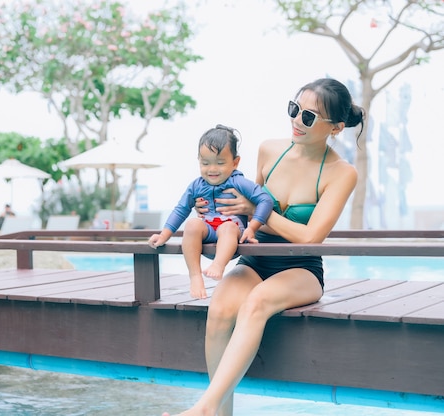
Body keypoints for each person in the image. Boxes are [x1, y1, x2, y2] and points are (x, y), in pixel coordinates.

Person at [162, 78, 364, 416]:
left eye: (309, 117)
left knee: (256, 303)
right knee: (221, 309)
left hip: (300, 268)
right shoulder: (269, 149)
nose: (297, 121)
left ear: (337, 128)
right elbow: (242, 207)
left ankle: (205, 408)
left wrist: (252, 212)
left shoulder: (342, 173)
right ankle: (219, 413)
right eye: (294, 109)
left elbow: (311, 236)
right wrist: (212, 214)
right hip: (255, 258)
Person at [148, 125, 273, 299]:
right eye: (205, 163)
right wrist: (164, 235)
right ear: (198, 161)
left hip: (231, 237)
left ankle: (218, 266)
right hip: (208, 230)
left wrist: (252, 227)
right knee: (192, 224)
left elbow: (265, 200)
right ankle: (195, 276)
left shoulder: (238, 182)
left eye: (220, 163)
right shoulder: (196, 185)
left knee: (227, 227)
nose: (212, 169)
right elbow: (181, 209)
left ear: (235, 162)